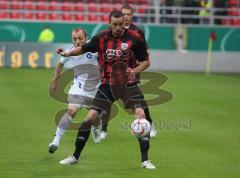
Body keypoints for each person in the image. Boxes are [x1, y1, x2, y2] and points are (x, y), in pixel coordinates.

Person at [57, 10, 156, 169]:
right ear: (109, 23)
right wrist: (67, 53)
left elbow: (146, 61)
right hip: (107, 84)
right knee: (90, 117)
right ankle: (74, 156)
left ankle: (145, 161)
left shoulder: (135, 39)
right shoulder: (101, 38)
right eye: (114, 24)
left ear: (124, 22)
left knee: (140, 115)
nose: (117, 27)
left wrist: (135, 71)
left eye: (121, 24)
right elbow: (82, 49)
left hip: (128, 85)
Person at [99, 4, 157, 140]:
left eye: (128, 14)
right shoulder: (111, 31)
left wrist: (136, 67)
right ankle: (104, 129)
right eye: (123, 14)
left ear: (132, 15)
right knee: (107, 100)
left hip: (131, 71)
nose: (125, 17)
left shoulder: (137, 33)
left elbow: (144, 53)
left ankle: (149, 123)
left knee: (139, 100)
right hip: (112, 73)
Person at [48, 28, 102, 154]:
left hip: (95, 90)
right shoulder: (70, 52)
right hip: (78, 89)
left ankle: (96, 128)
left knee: (95, 118)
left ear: (86, 37)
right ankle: (56, 141)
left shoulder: (94, 49)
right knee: (70, 111)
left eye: (80, 38)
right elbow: (60, 63)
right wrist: (55, 80)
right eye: (74, 39)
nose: (77, 41)